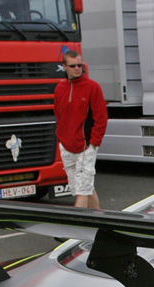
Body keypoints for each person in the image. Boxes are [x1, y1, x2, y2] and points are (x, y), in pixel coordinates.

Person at [54, 48, 108, 210]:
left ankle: (74, 227)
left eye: (79, 65)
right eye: (73, 66)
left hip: (86, 146)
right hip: (67, 145)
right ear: (64, 67)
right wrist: (62, 139)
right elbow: (59, 115)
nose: (77, 68)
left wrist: (93, 143)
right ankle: (100, 222)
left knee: (82, 190)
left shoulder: (93, 87)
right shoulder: (59, 89)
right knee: (84, 187)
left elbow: (101, 117)